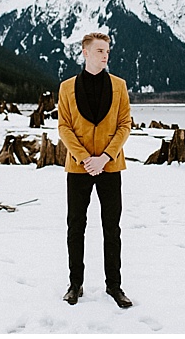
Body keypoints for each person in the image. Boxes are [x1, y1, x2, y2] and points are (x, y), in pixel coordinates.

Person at [57, 31, 133, 308]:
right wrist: (84, 157)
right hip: (78, 168)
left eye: (107, 51)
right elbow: (63, 126)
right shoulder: (66, 88)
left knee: (111, 228)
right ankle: (75, 284)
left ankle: (114, 286)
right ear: (85, 52)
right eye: (100, 50)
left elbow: (125, 124)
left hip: (110, 167)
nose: (105, 55)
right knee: (76, 226)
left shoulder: (119, 85)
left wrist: (105, 157)